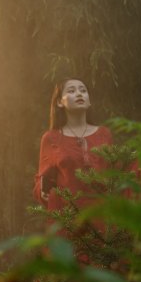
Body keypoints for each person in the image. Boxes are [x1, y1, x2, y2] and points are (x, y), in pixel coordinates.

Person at [33, 77, 113, 215]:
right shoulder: (51, 138)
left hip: (101, 219)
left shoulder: (104, 134)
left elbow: (114, 174)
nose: (79, 93)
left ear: (89, 101)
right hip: (67, 219)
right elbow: (42, 181)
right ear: (59, 102)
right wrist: (44, 191)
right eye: (71, 90)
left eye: (83, 90)